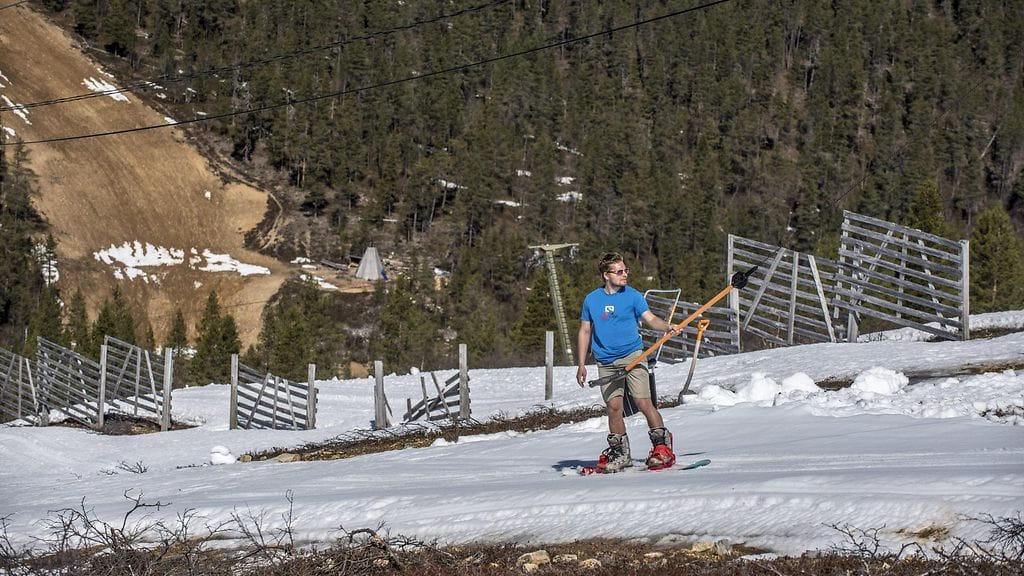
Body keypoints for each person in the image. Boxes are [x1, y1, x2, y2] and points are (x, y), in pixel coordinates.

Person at [576, 252, 677, 473]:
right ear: (606, 275)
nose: (625, 275)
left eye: (626, 270)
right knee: (614, 407)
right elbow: (585, 330)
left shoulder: (633, 296)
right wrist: (581, 364)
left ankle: (662, 447)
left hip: (633, 356)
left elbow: (650, 319)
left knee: (643, 402)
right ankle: (620, 453)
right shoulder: (592, 300)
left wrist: (667, 327)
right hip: (605, 360)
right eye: (619, 271)